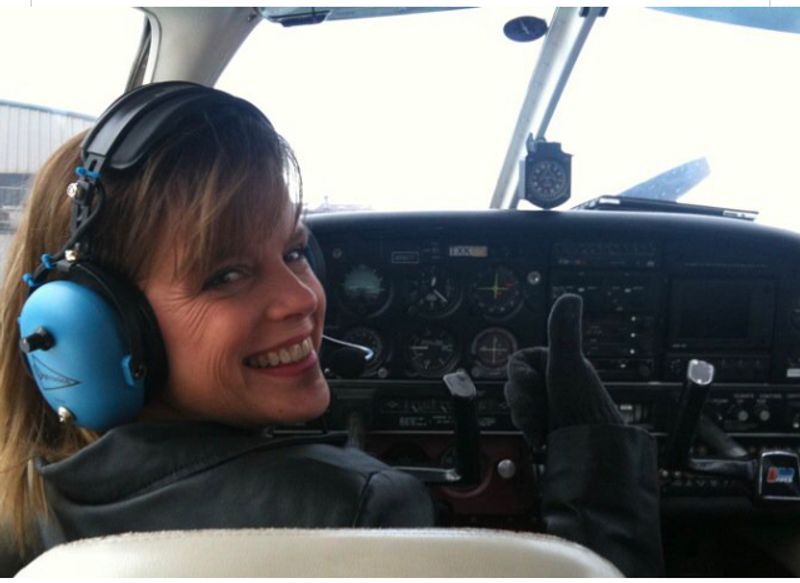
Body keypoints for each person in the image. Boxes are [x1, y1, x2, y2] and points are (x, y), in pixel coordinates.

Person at [0, 82, 663, 576]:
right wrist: (599, 477)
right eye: (226, 274)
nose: (302, 297)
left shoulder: (25, 507)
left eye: (294, 250)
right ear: (97, 325)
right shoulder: (356, 510)